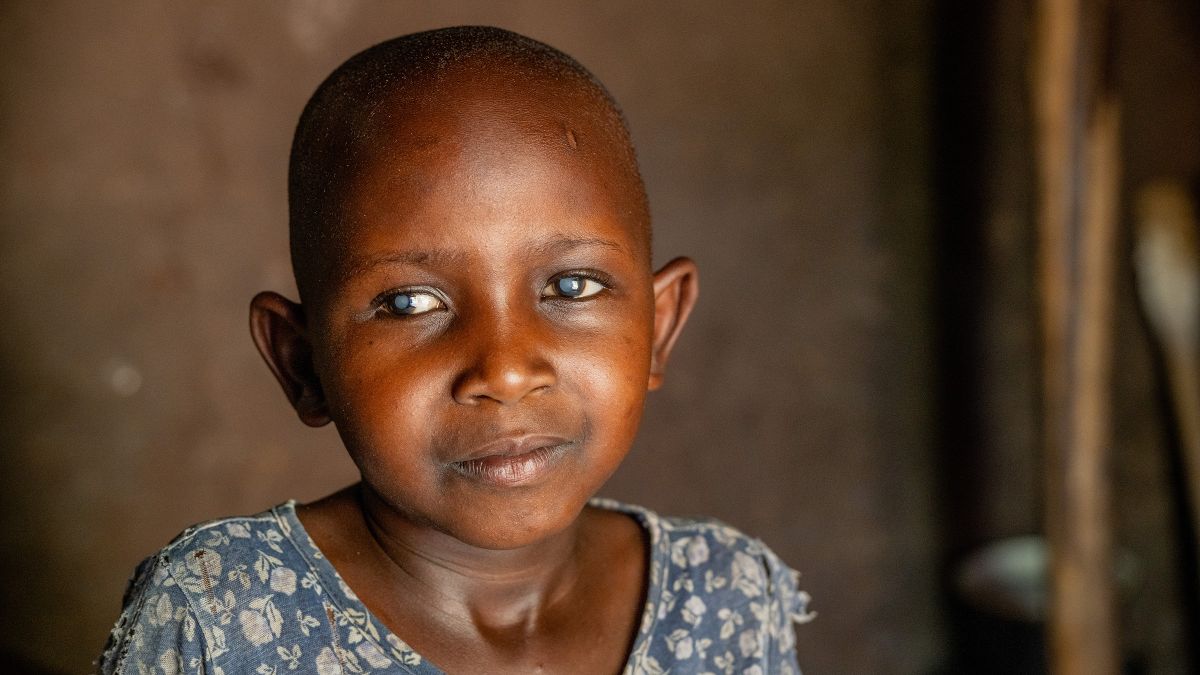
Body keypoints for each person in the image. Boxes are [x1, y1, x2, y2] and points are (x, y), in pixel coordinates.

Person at [98, 26, 813, 675]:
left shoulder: (728, 597)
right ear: (303, 362)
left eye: (571, 284)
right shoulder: (218, 620)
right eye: (409, 303)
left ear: (659, 325)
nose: (505, 369)